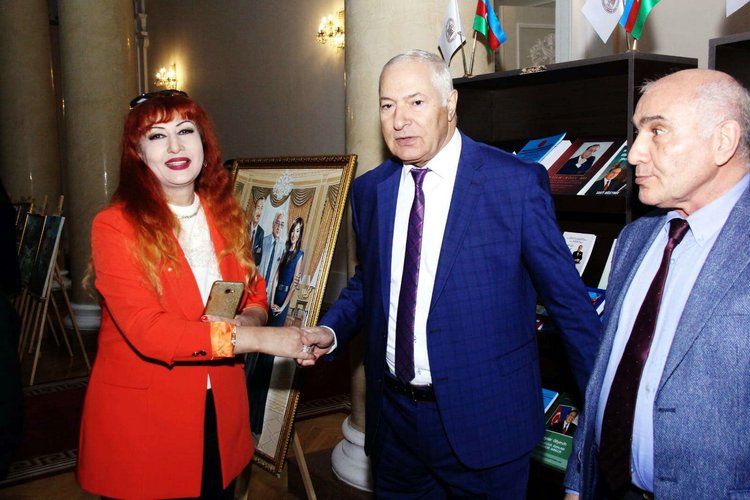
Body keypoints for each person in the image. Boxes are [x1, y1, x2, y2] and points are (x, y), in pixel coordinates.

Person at [300, 50, 602, 498]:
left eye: (416, 102)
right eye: (387, 105)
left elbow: (569, 305)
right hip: (395, 426)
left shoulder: (513, 184)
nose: (399, 120)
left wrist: (607, 416)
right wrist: (331, 329)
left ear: (450, 103)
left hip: (487, 423)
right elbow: (371, 282)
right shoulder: (371, 191)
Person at [76, 90, 322, 499]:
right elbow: (150, 332)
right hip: (148, 422)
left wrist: (252, 317)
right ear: (138, 152)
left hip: (220, 410)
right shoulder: (115, 226)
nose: (175, 146)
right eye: (157, 136)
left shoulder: (225, 213)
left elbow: (255, 293)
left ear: (203, 142)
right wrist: (261, 339)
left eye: (185, 130)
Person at [564, 69, 750, 499]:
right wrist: (577, 481)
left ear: (723, 141)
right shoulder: (637, 238)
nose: (634, 154)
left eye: (657, 131)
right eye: (637, 132)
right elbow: (607, 373)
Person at [248, 216, 305, 435]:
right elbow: (275, 278)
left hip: (283, 304)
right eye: (293, 230)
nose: (294, 234)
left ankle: (257, 417)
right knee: (262, 350)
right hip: (273, 301)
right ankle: (248, 406)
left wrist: (282, 305)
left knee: (269, 355)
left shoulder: (299, 255)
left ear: (300, 234)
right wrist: (271, 300)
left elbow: (294, 284)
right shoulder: (285, 251)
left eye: (298, 231)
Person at [259, 211, 285, 302]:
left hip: (271, 291)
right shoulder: (263, 241)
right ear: (273, 224)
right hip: (258, 287)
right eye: (277, 223)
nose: (278, 227)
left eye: (282, 225)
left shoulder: (283, 248)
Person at [247, 196, 265, 265]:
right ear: (253, 210)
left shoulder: (261, 232)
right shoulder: (245, 226)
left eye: (261, 209)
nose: (259, 212)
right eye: (258, 208)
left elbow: (259, 257)